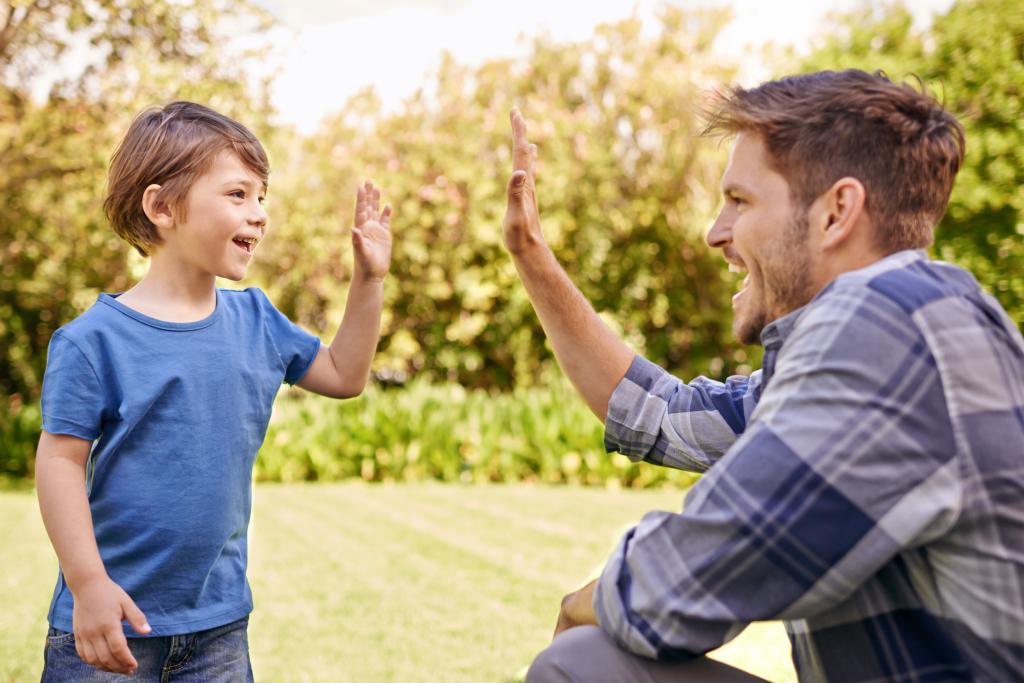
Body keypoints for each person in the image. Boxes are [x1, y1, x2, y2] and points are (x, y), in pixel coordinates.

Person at [503, 70, 1024, 682]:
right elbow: (657, 413)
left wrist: (582, 602)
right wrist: (530, 253)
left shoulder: (887, 327)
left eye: (740, 201)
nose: (714, 232)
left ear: (836, 212)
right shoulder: (896, 329)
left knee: (583, 663)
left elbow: (693, 577)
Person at [34, 101, 393, 681]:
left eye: (261, 198)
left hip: (218, 628)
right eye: (237, 195)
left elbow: (345, 375)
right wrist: (87, 584)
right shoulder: (92, 341)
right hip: (108, 625)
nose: (259, 214)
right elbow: (58, 462)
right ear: (162, 207)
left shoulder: (257, 321)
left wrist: (369, 279)